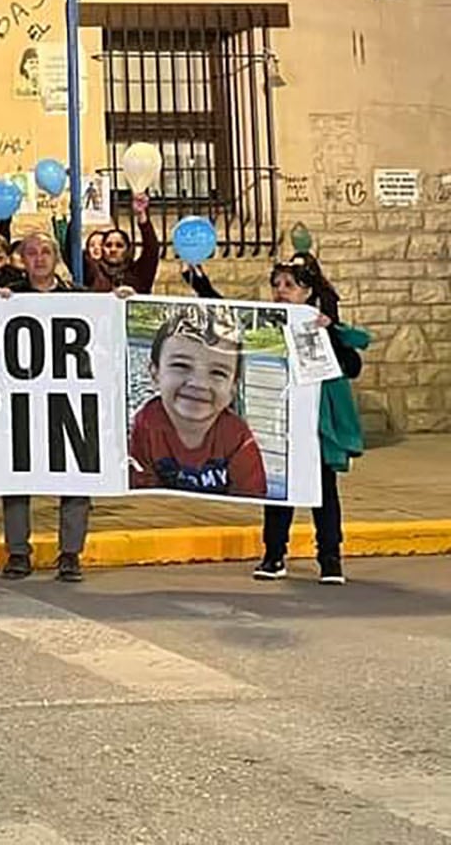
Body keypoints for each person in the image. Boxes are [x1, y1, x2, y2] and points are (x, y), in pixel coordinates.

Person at [187, 254, 362, 584]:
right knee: (277, 488)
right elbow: (229, 316)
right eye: (277, 285)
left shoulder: (324, 326)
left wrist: (329, 335)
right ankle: (274, 554)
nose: (281, 291)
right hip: (278, 418)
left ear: (307, 291)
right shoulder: (265, 323)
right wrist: (200, 282)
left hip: (314, 425)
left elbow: (352, 367)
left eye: (290, 285)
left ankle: (330, 557)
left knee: (323, 489)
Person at [0, 233, 89, 582]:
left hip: (70, 401)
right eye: (31, 253)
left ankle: (71, 554)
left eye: (46, 251)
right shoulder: (10, 297)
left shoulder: (79, 298)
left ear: (56, 257)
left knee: (77, 475)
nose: (39, 258)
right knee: (17, 475)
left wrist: (120, 300)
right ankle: (18, 552)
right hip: (23, 403)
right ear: (22, 260)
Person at [127, 305, 267, 498]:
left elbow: (252, 496)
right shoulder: (147, 423)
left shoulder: (237, 437)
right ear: (155, 372)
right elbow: (141, 492)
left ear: (233, 388)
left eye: (218, 372)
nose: (199, 384)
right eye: (181, 365)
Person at [87, 198, 160, 294]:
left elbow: (152, 249)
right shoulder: (93, 271)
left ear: (127, 249)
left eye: (119, 245)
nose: (113, 249)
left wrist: (141, 215)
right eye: (108, 245)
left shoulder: (138, 273)